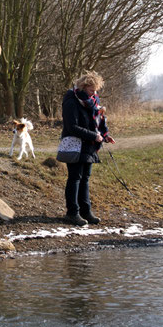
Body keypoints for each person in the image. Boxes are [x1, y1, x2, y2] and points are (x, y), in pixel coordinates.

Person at [61, 71, 115, 226]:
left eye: (96, 90)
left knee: (85, 178)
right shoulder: (71, 101)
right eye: (92, 90)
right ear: (83, 87)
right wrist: (93, 136)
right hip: (75, 145)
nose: (94, 93)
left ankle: (86, 211)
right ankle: (72, 213)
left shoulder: (93, 100)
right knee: (75, 178)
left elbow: (99, 121)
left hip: (89, 147)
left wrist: (104, 135)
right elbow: (72, 127)